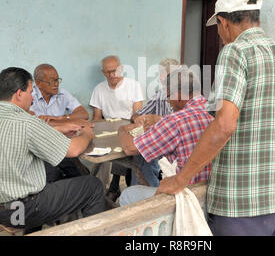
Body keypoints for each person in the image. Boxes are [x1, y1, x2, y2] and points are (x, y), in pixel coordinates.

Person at [156, 0, 275, 236]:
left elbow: (224, 125)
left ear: (224, 22)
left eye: (218, 27)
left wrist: (180, 179)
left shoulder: (235, 52)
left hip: (239, 206)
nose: (219, 34)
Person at [0, 67, 106, 234]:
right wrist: (87, 134)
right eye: (30, 91)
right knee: (93, 186)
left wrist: (57, 129)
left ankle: (34, 231)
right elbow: (74, 150)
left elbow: (20, 136)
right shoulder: (25, 122)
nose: (33, 96)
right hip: (19, 211)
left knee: (50, 171)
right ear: (19, 94)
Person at [118, 68, 213, 205]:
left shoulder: (175, 120)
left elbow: (129, 148)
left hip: (184, 195)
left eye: (169, 96)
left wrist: (122, 130)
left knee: (128, 194)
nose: (168, 101)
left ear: (179, 95)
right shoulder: (216, 112)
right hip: (208, 190)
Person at [89, 55, 144, 201]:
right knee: (101, 152)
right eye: (108, 72)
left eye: (115, 71)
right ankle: (105, 188)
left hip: (128, 127)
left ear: (121, 69)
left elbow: (137, 113)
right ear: (103, 72)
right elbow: (97, 117)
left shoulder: (133, 85)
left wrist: (134, 122)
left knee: (127, 148)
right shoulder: (99, 89)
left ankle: (116, 185)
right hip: (107, 128)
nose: (112, 75)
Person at [30, 63, 91, 181]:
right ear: (38, 83)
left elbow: (84, 114)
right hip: (41, 150)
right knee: (56, 175)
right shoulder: (30, 97)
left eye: (57, 80)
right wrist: (69, 123)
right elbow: (36, 124)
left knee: (83, 174)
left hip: (61, 146)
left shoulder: (62, 93)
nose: (56, 84)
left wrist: (61, 118)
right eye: (51, 81)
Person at [129, 58, 181, 187]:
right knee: (137, 154)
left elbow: (183, 121)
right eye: (161, 75)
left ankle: (151, 191)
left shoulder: (182, 94)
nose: (162, 78)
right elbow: (140, 112)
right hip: (160, 140)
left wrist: (160, 120)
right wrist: (137, 117)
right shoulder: (161, 93)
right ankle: (140, 191)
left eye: (166, 75)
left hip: (174, 144)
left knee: (145, 155)